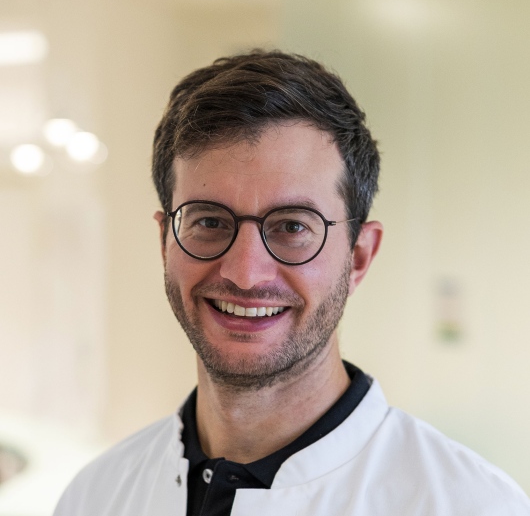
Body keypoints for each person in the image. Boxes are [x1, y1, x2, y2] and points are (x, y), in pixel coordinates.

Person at [53, 50, 530, 516]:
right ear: (165, 241)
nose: (245, 273)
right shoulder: (95, 496)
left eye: (293, 226)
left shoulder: (471, 505)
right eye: (209, 222)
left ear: (359, 256)